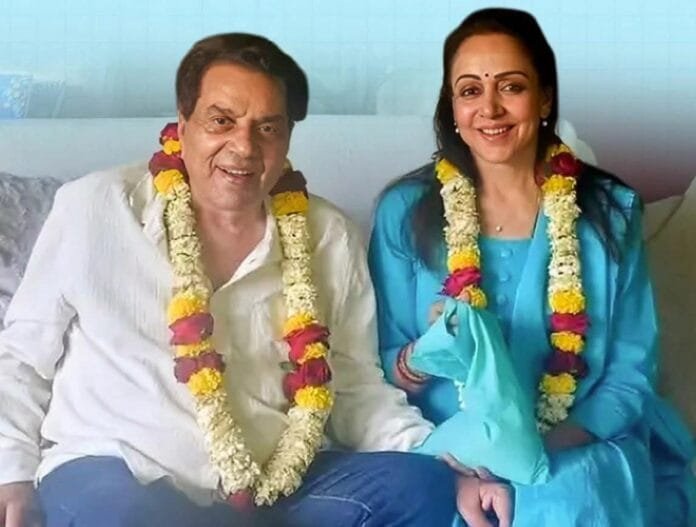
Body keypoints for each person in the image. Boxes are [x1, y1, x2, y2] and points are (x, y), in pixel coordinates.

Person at [0, 32, 509, 527]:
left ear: (287, 137)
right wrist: (11, 476)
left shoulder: (328, 235)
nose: (243, 147)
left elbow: (355, 385)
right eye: (221, 121)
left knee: (420, 487)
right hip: (120, 473)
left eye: (267, 128)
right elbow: (22, 358)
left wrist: (442, 462)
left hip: (277, 490)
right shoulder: (93, 207)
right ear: (183, 122)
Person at [368, 8, 696, 527]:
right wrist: (429, 353)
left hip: (579, 443)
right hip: (448, 453)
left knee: (563, 502)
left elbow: (629, 375)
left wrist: (533, 452)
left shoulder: (609, 212)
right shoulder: (405, 212)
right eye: (470, 90)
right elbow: (375, 369)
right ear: (452, 106)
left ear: (544, 98)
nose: (490, 108)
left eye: (511, 86)